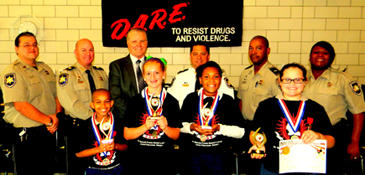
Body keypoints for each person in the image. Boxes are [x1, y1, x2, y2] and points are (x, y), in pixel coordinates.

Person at [248, 63, 335, 174]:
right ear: (279, 81)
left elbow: (331, 142)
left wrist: (319, 136)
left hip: (309, 169)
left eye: (298, 79)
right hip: (273, 168)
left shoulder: (316, 108)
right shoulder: (266, 106)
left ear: (305, 82)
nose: (292, 84)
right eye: (287, 79)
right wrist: (258, 144)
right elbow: (254, 133)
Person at [1, 32, 62, 175]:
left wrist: (56, 116)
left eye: (34, 44)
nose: (32, 48)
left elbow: (56, 96)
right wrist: (49, 121)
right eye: (26, 45)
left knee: (47, 171)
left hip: (47, 133)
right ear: (16, 48)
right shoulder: (13, 72)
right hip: (26, 137)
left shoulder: (45, 68)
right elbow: (21, 106)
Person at [303, 41, 365, 174]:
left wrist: (354, 142)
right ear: (310, 57)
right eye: (316, 52)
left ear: (331, 58)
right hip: (304, 137)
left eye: (325, 53)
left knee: (331, 172)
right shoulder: (301, 79)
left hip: (333, 137)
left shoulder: (343, 80)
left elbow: (358, 111)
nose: (320, 56)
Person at [180, 61, 245, 175]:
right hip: (194, 156)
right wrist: (191, 127)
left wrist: (220, 128)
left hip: (220, 156)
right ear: (200, 80)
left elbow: (241, 132)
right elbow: (179, 127)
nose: (211, 81)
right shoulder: (191, 99)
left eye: (216, 76)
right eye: (206, 77)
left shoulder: (228, 101)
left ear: (220, 79)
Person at [57, 38, 109, 174]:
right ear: (75, 52)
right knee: (77, 168)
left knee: (100, 165)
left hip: (101, 128)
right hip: (78, 128)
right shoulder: (67, 75)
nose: (88, 53)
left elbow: (108, 100)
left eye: (91, 50)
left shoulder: (101, 74)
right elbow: (72, 104)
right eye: (83, 50)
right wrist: (95, 119)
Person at [123, 57, 181, 175]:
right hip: (139, 161)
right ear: (143, 76)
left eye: (157, 73)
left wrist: (165, 127)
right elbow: (127, 135)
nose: (153, 77)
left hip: (163, 162)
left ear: (164, 74)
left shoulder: (172, 102)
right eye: (148, 73)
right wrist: (144, 127)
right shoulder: (135, 101)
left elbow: (176, 135)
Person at [237, 35, 280, 175]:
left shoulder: (275, 76)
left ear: (267, 51)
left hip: (264, 131)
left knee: (263, 168)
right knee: (248, 167)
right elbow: (241, 101)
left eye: (258, 48)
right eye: (251, 48)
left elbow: (280, 106)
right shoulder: (245, 73)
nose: (253, 52)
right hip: (246, 128)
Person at [75, 89, 128, 175]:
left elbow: (126, 146)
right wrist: (98, 149)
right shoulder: (85, 126)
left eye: (106, 101)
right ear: (92, 105)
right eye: (98, 102)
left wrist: (116, 146)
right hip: (93, 170)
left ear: (111, 103)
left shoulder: (119, 123)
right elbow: (78, 154)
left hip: (116, 169)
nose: (103, 105)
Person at [168, 44, 235, 108]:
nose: (199, 57)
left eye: (203, 54)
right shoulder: (180, 78)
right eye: (195, 54)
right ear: (190, 56)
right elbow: (171, 104)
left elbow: (229, 105)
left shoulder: (220, 80)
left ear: (208, 56)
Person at [109, 28, 148, 120]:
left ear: (147, 43)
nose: (138, 45)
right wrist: (137, 115)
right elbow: (115, 96)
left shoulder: (154, 65)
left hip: (151, 119)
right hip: (126, 118)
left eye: (142, 41)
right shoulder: (117, 66)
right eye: (134, 41)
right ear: (128, 43)